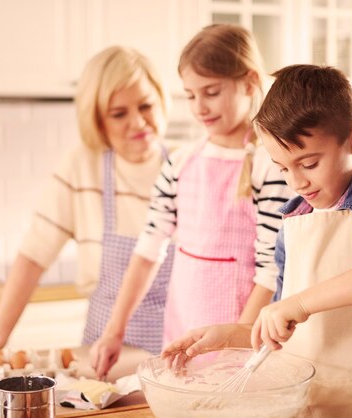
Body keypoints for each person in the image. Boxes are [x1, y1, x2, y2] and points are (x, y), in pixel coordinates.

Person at [162, 64, 352, 417]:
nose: (295, 182)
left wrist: (300, 303)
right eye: (282, 168)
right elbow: (285, 328)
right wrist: (230, 336)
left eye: (309, 163)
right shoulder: (295, 219)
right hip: (318, 405)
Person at [0, 46, 175, 364]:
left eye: (146, 106)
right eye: (119, 113)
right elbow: (33, 256)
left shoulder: (186, 165)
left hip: (175, 350)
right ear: (97, 120)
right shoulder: (83, 166)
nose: (138, 122)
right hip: (103, 354)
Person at [90, 24, 293, 380]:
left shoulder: (271, 165)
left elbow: (271, 272)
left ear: (248, 83)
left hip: (244, 344)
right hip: (182, 335)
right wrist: (114, 332)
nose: (199, 107)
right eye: (190, 95)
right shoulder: (180, 163)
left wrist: (237, 348)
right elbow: (148, 250)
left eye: (211, 92)